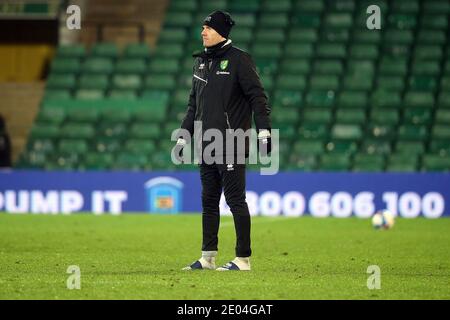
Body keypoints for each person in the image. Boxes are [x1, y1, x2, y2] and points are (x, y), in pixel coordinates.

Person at [176, 11, 272, 271]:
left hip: (231, 142)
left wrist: (264, 131)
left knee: (234, 200)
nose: (203, 32)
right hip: (206, 144)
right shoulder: (201, 63)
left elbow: (258, 99)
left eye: (208, 28)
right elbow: (193, 106)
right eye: (202, 27)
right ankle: (208, 257)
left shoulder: (240, 60)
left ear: (221, 32)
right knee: (208, 201)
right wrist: (184, 135)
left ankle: (243, 259)